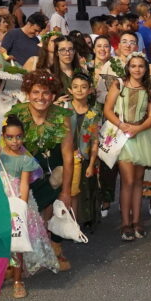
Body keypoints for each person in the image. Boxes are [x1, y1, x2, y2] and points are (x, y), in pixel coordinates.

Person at [7, 71, 76, 270]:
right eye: (35, 92)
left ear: (53, 95)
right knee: (22, 215)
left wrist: (66, 191)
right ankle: (17, 259)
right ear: (28, 93)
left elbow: (68, 155)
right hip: (24, 174)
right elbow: (8, 146)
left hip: (54, 170)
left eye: (45, 93)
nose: (40, 97)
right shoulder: (16, 114)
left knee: (58, 206)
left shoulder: (62, 117)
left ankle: (55, 248)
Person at [0, 114, 59, 299]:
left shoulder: (25, 159)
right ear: (3, 136)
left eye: (18, 136)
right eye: (9, 137)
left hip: (16, 201)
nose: (14, 141)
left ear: (23, 136)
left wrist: (21, 207)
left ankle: (18, 280)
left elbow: (24, 183)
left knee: (17, 241)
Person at [103, 53, 151, 241]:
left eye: (141, 66)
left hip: (141, 135)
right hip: (123, 136)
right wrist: (122, 126)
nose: (137, 69)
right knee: (127, 181)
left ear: (145, 68)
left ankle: (137, 220)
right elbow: (108, 110)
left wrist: (138, 128)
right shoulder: (118, 84)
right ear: (128, 67)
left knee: (138, 181)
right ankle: (125, 223)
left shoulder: (149, 89)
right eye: (133, 66)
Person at [60, 73, 102, 230]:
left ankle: (76, 224)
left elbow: (95, 140)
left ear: (90, 90)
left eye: (84, 87)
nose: (79, 90)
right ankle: (62, 224)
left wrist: (92, 164)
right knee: (64, 189)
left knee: (79, 192)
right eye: (76, 87)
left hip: (83, 157)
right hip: (63, 156)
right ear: (70, 90)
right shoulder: (63, 109)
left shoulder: (93, 114)